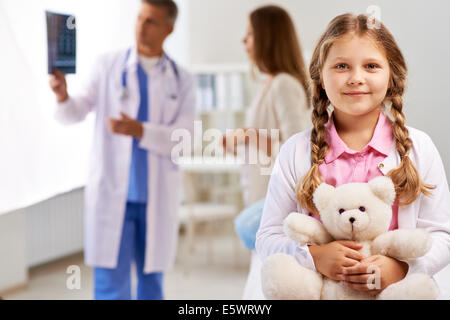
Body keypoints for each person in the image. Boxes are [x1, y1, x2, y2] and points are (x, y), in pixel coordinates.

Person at [256, 13, 450, 298]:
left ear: (392, 76)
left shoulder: (420, 147)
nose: (356, 78)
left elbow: (441, 237)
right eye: (341, 66)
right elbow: (268, 237)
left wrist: (400, 269)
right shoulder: (296, 151)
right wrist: (315, 256)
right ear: (321, 77)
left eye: (371, 66)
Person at [49, 0, 196, 300]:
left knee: (151, 283)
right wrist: (63, 96)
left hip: (155, 196)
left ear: (169, 29)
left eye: (151, 21)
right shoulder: (107, 66)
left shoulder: (183, 80)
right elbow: (75, 112)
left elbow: (185, 139)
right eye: (139, 18)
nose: (141, 27)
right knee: (110, 286)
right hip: (113, 192)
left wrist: (139, 130)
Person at [224, 5, 311, 299]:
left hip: (275, 197)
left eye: (250, 34)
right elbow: (266, 135)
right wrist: (242, 137)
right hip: (260, 191)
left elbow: (296, 147)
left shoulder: (285, 84)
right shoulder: (269, 83)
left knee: (268, 275)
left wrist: (248, 135)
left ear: (267, 37)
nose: (244, 41)